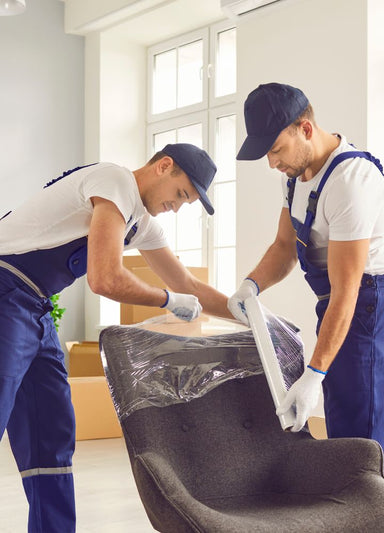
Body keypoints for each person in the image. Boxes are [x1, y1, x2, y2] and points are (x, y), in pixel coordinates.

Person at [0, 143, 230, 532]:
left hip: (35, 304)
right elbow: (104, 277)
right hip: (5, 289)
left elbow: (189, 285)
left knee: (50, 434)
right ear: (164, 166)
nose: (177, 207)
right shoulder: (115, 181)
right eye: (180, 194)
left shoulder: (141, 223)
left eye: (186, 203)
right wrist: (167, 300)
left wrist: (252, 314)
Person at [228, 82, 384, 469]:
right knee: (342, 418)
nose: (272, 163)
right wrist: (251, 285)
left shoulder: (351, 181)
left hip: (370, 302)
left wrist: (314, 374)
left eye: (276, 150)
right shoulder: (294, 176)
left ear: (305, 129)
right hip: (338, 301)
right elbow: (284, 246)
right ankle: (345, 503)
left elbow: (347, 290)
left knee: (362, 431)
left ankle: (369, 503)